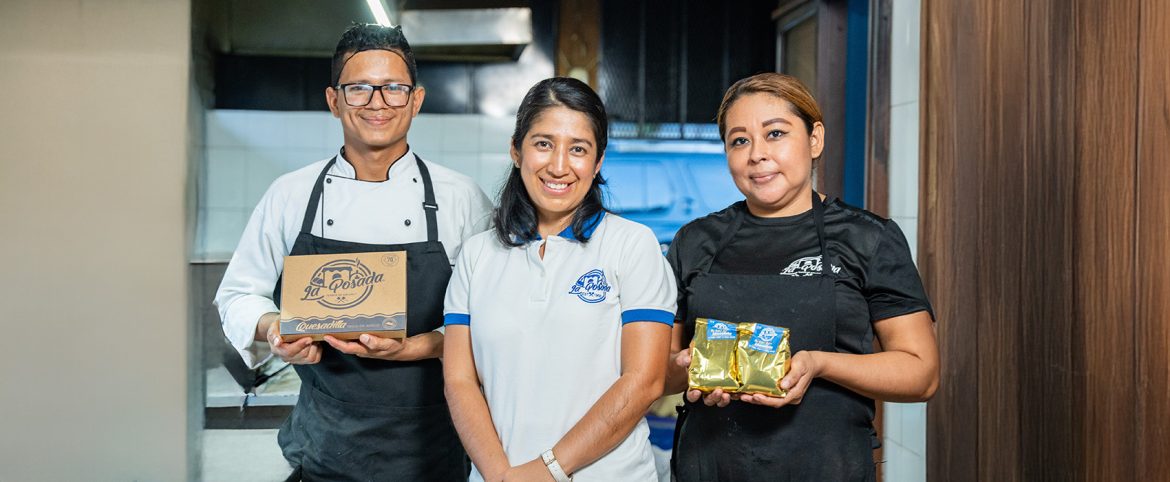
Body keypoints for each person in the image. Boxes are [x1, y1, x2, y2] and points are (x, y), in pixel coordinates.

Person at [214, 24, 492, 481]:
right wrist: (276, 330)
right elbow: (238, 295)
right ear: (334, 100)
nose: (377, 103)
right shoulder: (291, 195)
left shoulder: (462, 199)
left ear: (416, 100)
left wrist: (413, 348)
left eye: (394, 89)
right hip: (324, 447)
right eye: (359, 88)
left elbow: (490, 322)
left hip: (432, 448)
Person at [663, 72, 939, 481]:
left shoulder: (868, 238)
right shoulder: (695, 241)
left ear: (815, 139)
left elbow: (922, 374)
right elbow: (657, 372)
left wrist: (819, 364)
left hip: (828, 467)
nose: (757, 153)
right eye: (739, 140)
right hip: (710, 466)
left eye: (775, 134)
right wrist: (692, 368)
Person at [442, 77, 676, 482]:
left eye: (579, 149)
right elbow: (460, 380)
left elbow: (644, 381)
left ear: (598, 161)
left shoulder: (632, 245)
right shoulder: (478, 255)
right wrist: (501, 475)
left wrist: (545, 471)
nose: (559, 166)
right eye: (544, 143)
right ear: (516, 150)